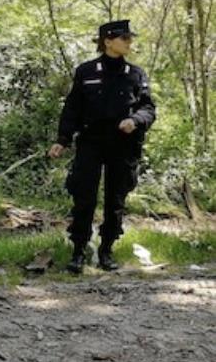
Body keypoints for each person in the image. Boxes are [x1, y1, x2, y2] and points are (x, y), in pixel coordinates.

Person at [48, 20, 156, 274]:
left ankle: (107, 249)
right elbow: (73, 108)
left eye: (130, 38)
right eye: (124, 38)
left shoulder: (135, 74)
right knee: (84, 197)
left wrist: (135, 120)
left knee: (115, 199)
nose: (129, 42)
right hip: (91, 143)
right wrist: (62, 140)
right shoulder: (86, 71)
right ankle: (78, 250)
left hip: (123, 145)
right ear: (108, 41)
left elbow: (148, 108)